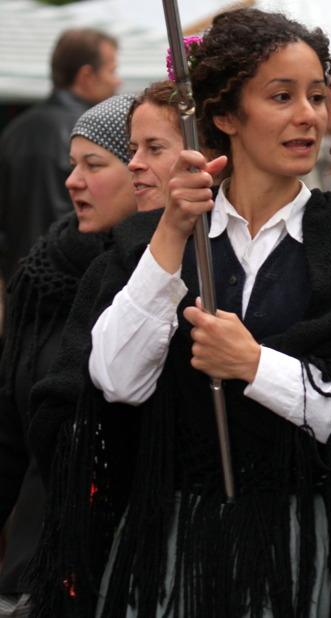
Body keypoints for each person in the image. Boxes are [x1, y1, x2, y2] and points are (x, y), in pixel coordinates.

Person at [27, 8, 331, 617]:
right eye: (280, 95)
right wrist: (171, 231)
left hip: (309, 552)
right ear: (223, 116)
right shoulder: (147, 240)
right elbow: (111, 381)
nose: (308, 116)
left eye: (318, 96)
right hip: (171, 550)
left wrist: (256, 366)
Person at [0, 81, 185, 618]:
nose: (72, 181)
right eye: (73, 164)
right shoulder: (45, 275)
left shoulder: (173, 278)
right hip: (34, 567)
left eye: (94, 164)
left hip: (126, 568)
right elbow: (13, 430)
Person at [0, 28, 121, 286]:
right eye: (111, 70)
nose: (117, 81)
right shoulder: (94, 135)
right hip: (72, 282)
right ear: (87, 75)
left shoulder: (14, 130)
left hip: (19, 282)